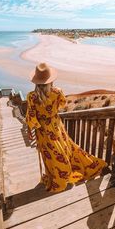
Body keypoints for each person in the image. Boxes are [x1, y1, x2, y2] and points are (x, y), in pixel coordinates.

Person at [25, 62, 107, 193]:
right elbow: (62, 105)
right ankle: (67, 171)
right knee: (64, 148)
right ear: (50, 79)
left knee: (50, 155)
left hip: (42, 130)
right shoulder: (57, 92)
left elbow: (31, 116)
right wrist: (50, 110)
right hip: (56, 125)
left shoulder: (31, 96)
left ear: (36, 81)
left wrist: (30, 130)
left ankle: (58, 177)